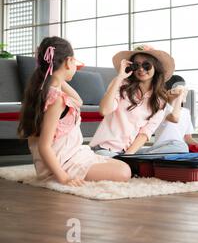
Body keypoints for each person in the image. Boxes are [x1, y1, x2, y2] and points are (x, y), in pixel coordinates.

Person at [17, 37, 131, 186]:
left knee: (120, 165)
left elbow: (78, 101)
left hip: (72, 155)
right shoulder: (56, 100)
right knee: (124, 171)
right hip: (63, 163)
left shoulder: (46, 92)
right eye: (74, 62)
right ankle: (62, 174)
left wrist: (57, 77)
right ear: (68, 61)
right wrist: (64, 178)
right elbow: (43, 146)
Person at [89, 45, 174, 156]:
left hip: (128, 152)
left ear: (155, 67)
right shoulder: (121, 84)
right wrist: (119, 77)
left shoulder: (160, 100)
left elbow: (145, 133)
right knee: (124, 169)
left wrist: (129, 155)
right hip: (105, 149)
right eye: (136, 65)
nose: (141, 69)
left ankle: (127, 164)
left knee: (174, 146)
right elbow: (104, 110)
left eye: (146, 65)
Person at [145, 75, 198, 153]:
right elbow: (174, 118)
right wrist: (179, 97)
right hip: (162, 146)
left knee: (182, 146)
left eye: (185, 89)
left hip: (178, 147)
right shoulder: (163, 109)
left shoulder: (186, 112)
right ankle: (149, 154)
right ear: (170, 91)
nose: (185, 92)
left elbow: (187, 138)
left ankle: (148, 154)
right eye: (181, 90)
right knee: (182, 146)